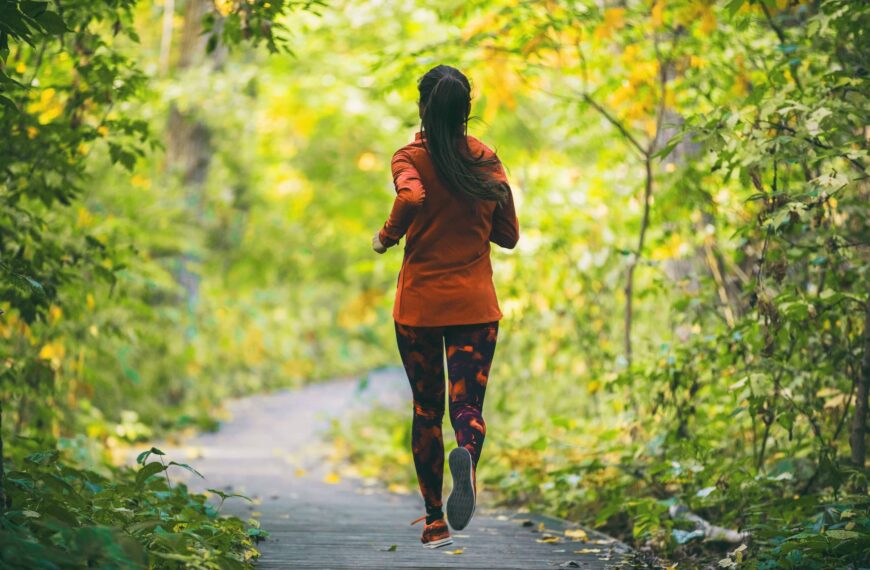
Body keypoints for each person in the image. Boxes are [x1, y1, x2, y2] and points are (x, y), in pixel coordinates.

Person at [371, 64, 519, 549]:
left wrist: (387, 236)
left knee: (425, 409)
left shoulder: (409, 157)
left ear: (422, 108)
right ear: (467, 112)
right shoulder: (486, 160)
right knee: (466, 407)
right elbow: (509, 236)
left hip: (418, 311)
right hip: (475, 308)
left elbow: (411, 194)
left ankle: (435, 520)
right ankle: (468, 458)